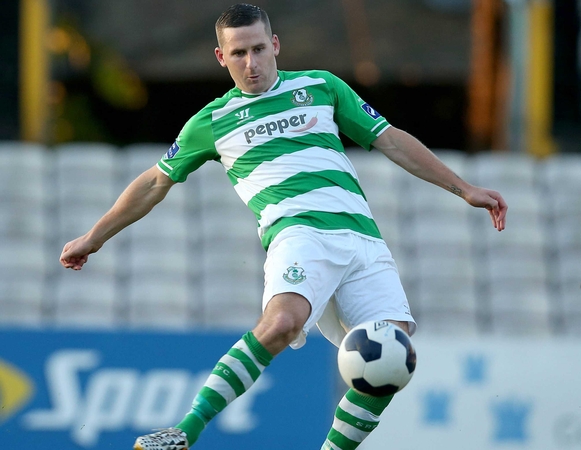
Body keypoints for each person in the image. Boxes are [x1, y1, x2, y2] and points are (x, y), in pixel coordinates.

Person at [59, 4, 507, 450]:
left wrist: (463, 188)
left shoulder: (321, 87)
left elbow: (390, 140)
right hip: (299, 235)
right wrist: (94, 237)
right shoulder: (212, 121)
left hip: (364, 241)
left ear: (274, 45)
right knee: (282, 323)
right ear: (221, 57)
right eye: (238, 54)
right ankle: (184, 431)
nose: (251, 63)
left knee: (393, 355)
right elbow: (155, 182)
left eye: (258, 49)